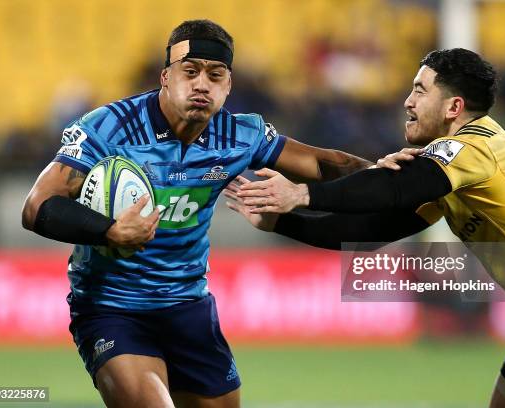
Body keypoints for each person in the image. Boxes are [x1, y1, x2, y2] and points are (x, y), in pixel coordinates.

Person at [20, 19, 381, 408]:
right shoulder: (109, 129)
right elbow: (37, 206)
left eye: (215, 75)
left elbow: (329, 164)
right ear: (165, 77)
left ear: (228, 86)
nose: (201, 84)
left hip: (188, 308)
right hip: (112, 307)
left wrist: (400, 177)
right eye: (189, 72)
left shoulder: (241, 136)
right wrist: (110, 231)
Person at [228, 48, 505, 408]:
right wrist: (280, 220)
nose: (407, 101)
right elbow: (368, 231)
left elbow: (393, 188)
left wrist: (300, 193)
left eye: (420, 90)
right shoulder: (451, 173)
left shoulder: (474, 147)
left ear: (453, 108)